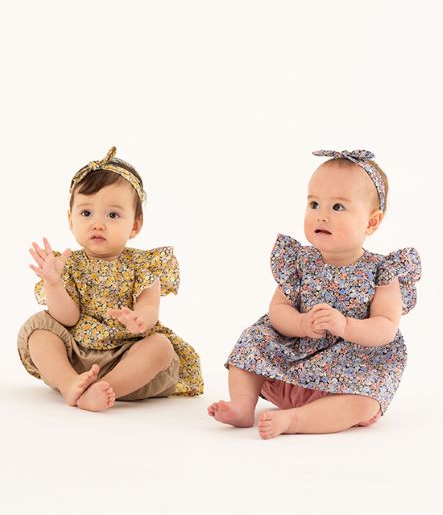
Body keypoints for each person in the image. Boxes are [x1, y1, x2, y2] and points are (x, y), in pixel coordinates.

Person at [208, 149, 421, 438]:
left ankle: (295, 420)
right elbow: (278, 310)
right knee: (253, 338)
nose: (321, 215)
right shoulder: (300, 262)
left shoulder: (383, 271)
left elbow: (385, 326)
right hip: (291, 364)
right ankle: (243, 405)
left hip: (349, 373)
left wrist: (345, 326)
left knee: (366, 403)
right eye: (314, 204)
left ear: (371, 222)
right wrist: (301, 323)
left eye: (338, 207)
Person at [18, 147, 203, 412]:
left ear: (135, 225)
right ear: (70, 220)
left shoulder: (144, 265)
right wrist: (54, 283)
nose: (98, 224)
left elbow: (150, 305)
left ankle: (105, 388)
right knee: (37, 328)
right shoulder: (67, 265)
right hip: (76, 356)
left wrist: (139, 320)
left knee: (160, 346)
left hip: (128, 360)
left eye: (113, 215)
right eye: (86, 213)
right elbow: (67, 318)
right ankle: (69, 383)